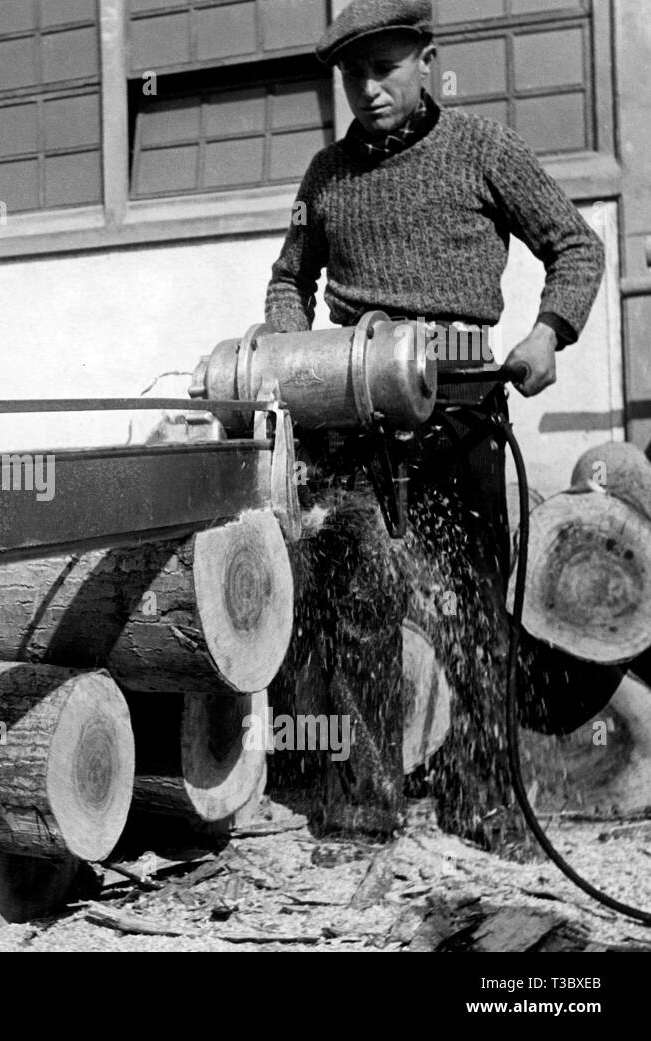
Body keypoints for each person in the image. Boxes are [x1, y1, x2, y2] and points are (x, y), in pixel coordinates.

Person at [263, 0, 606, 826]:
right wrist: (291, 358)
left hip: (462, 410)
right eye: (353, 75)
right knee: (359, 600)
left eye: (384, 69)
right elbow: (288, 280)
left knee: (473, 603)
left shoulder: (482, 150)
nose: (369, 90)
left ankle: (483, 804)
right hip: (353, 411)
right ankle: (362, 804)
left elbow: (576, 245)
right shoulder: (325, 178)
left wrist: (547, 332)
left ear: (426, 60)